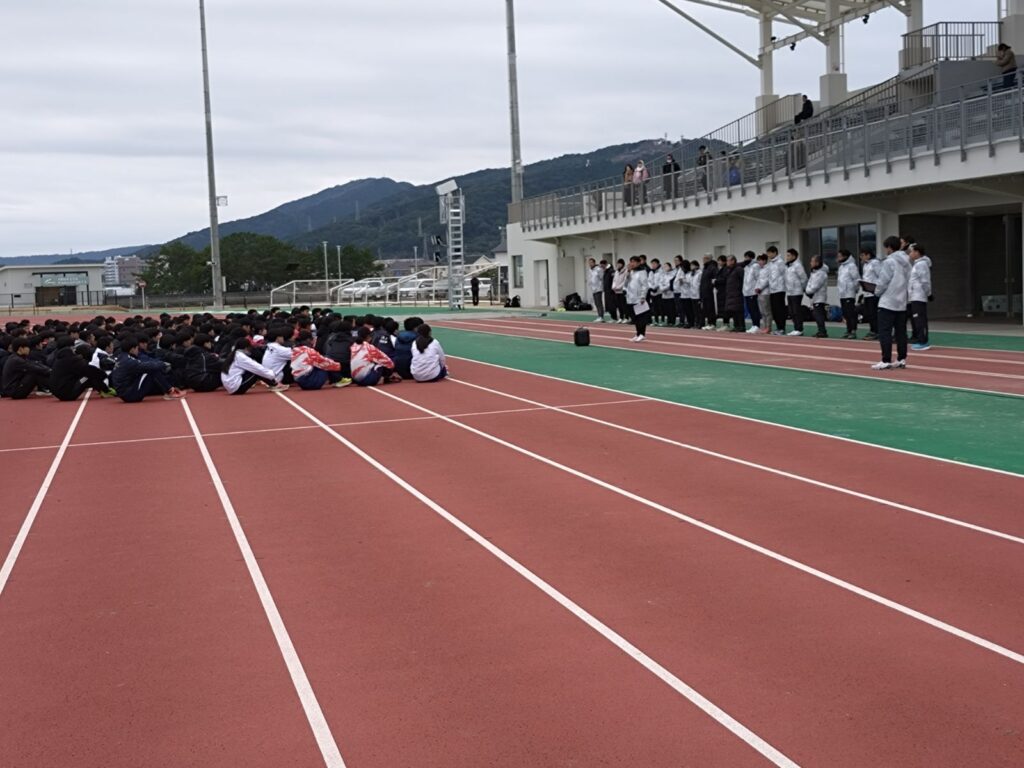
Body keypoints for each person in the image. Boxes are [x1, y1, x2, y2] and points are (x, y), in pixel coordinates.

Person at [871, 236, 913, 370]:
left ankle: (886, 360)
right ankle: (901, 359)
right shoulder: (907, 262)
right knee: (901, 332)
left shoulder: (889, 262)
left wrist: (876, 292)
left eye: (886, 248)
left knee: (885, 332)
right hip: (901, 301)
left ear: (889, 247)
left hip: (888, 301)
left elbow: (883, 281)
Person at [111, 336, 186, 402]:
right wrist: (163, 364)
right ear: (132, 349)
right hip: (130, 395)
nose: (138, 351)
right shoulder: (129, 361)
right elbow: (147, 366)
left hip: (125, 392)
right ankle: (170, 391)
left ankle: (169, 389)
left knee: (150, 369)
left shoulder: (121, 357)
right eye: (137, 348)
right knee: (152, 370)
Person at [49, 337, 116, 401]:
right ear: (70, 347)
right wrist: (104, 375)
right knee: (89, 376)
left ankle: (104, 390)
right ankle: (106, 390)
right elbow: (90, 371)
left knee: (88, 374)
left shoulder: (60, 358)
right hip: (67, 394)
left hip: (59, 391)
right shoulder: (72, 359)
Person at [221, 337, 288, 395]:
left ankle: (274, 384)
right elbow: (256, 367)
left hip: (231, 385)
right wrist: (272, 374)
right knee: (256, 371)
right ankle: (275, 385)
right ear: (246, 347)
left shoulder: (234, 354)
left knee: (255, 369)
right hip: (236, 388)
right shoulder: (241, 357)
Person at [908, 243, 933, 351]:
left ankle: (923, 341)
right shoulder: (917, 264)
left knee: (920, 319)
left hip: (919, 296)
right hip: (915, 296)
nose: (910, 254)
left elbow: (925, 281)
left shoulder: (921, 264)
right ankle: (921, 339)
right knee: (917, 319)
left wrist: (928, 294)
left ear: (917, 252)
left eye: (911, 252)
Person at [625, 256, 651, 342]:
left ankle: (642, 334)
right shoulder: (631, 272)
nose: (632, 263)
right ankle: (637, 333)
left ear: (639, 263)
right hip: (630, 298)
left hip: (639, 298)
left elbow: (645, 285)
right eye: (631, 262)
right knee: (634, 318)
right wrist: (628, 273)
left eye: (634, 262)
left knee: (641, 317)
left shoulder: (642, 272)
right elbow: (626, 284)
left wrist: (643, 296)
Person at [836, 249, 860, 339]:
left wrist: (854, 289)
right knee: (845, 313)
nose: (838, 258)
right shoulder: (841, 267)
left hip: (849, 293)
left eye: (840, 256)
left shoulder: (852, 266)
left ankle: (853, 330)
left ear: (845, 256)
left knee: (851, 313)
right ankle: (848, 329)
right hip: (842, 293)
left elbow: (856, 279)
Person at [784, 248, 808, 336]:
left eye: (788, 255)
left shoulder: (798, 266)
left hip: (797, 292)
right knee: (791, 311)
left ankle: (799, 329)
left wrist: (801, 288)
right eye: (787, 255)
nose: (787, 257)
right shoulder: (788, 266)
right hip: (790, 292)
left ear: (794, 256)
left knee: (796, 311)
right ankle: (795, 328)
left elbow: (804, 278)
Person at [805, 255, 830, 338]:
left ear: (817, 263)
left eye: (812, 261)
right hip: (815, 297)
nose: (810, 263)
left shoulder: (821, 274)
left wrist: (808, 291)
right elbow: (809, 283)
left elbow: (815, 285)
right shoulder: (814, 272)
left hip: (819, 297)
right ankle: (820, 330)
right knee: (816, 314)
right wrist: (807, 290)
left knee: (819, 315)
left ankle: (822, 331)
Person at [860, 249, 881, 340]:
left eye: (863, 255)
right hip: (867, 293)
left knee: (874, 313)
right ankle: (872, 330)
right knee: (869, 313)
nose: (861, 257)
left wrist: (877, 288)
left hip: (874, 293)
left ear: (868, 255)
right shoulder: (865, 265)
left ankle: (877, 331)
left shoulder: (875, 263)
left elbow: (880, 276)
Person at [723, 255, 746, 331]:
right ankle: (736, 326)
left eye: (728, 260)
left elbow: (743, 280)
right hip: (730, 293)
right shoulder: (729, 270)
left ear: (733, 261)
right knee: (733, 310)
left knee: (738, 310)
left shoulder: (739, 269)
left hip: (737, 293)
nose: (727, 262)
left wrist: (740, 289)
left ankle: (741, 326)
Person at [741, 251, 762, 334]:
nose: (745, 259)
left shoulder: (755, 266)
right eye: (745, 257)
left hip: (753, 291)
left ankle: (757, 325)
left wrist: (757, 289)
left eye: (747, 257)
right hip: (746, 291)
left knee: (754, 309)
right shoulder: (746, 267)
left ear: (751, 258)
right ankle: (754, 325)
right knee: (750, 309)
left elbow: (758, 278)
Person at [699, 254, 718, 329]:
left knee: (711, 308)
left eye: (705, 258)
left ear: (708, 259)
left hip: (710, 291)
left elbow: (715, 279)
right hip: (704, 291)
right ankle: (709, 323)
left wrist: (711, 287)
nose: (703, 260)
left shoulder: (713, 268)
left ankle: (712, 323)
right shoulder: (705, 268)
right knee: (706, 309)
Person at [755, 253, 772, 333]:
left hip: (765, 292)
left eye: (760, 260)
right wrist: (756, 288)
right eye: (758, 260)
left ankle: (768, 327)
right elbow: (758, 280)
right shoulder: (761, 270)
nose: (759, 262)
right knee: (762, 312)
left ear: (765, 261)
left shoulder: (768, 269)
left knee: (767, 311)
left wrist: (760, 288)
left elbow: (767, 280)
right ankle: (764, 326)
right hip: (759, 293)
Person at [587, 258, 606, 322]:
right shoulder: (590, 270)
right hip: (593, 289)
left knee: (599, 302)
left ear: (594, 263)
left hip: (598, 288)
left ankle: (601, 316)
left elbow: (602, 278)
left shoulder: (598, 269)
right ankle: (599, 315)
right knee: (596, 303)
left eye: (591, 262)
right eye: (589, 263)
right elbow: (590, 278)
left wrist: (601, 286)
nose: (590, 264)